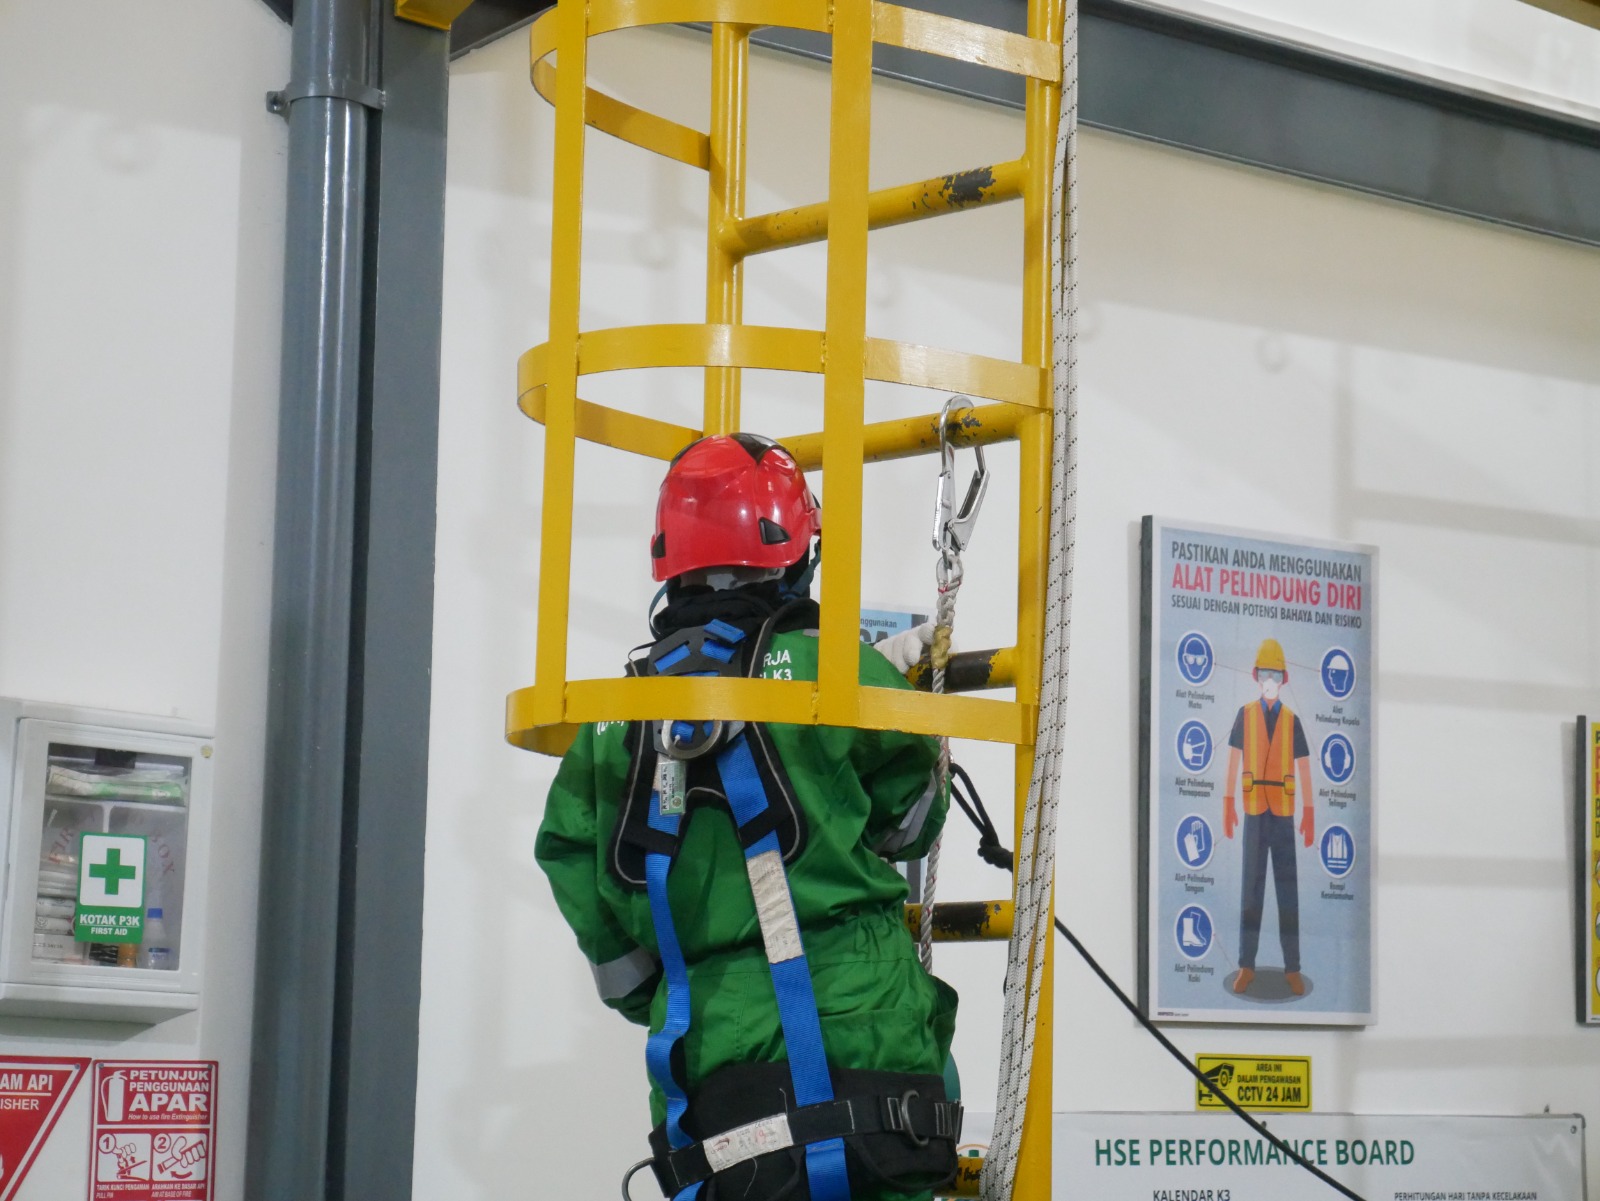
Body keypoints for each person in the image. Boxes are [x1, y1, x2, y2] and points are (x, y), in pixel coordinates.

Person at [535, 433, 960, 1201]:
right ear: (795, 551)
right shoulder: (838, 672)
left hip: (703, 1036)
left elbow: (574, 863)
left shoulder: (612, 714)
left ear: (669, 560)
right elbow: (913, 820)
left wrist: (673, 986)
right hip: (863, 1014)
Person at [1221, 638, 1314, 997]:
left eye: (1275, 674)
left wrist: (1310, 811)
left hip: (1285, 813)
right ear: (1256, 675)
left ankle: (1293, 969)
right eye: (1265, 673)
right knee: (1251, 891)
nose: (1270, 680)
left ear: (1284, 678)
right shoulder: (1244, 715)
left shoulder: (1292, 721)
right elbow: (1233, 759)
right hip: (1255, 811)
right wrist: (1228, 802)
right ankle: (1247, 966)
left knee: (1288, 892)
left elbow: (1303, 766)